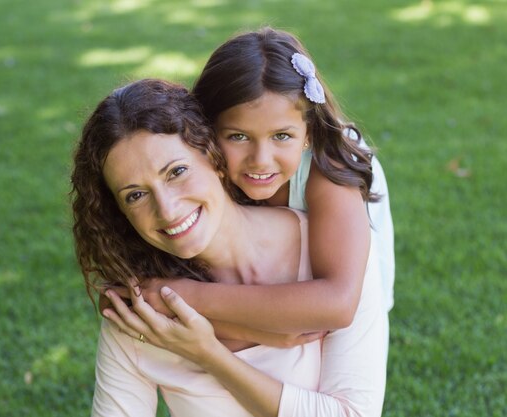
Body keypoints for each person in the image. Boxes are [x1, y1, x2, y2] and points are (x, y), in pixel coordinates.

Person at [71, 79, 387, 417]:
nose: (167, 209)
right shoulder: (142, 309)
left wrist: (209, 354)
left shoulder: (334, 257)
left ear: (215, 158)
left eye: (177, 172)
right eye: (135, 195)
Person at [131, 27, 395, 340]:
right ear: (205, 132)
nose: (260, 159)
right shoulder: (200, 170)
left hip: (350, 298)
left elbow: (337, 305)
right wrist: (268, 335)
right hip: (271, 288)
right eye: (238, 136)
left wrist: (189, 296)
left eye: (281, 136)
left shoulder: (328, 168)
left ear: (307, 133)